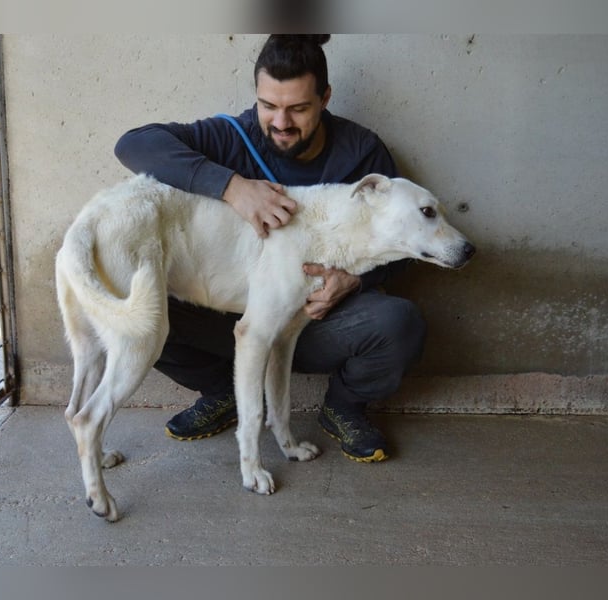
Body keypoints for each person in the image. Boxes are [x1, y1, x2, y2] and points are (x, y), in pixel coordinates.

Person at [114, 34, 426, 463]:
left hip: (319, 323)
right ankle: (223, 390)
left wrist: (354, 280)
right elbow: (132, 145)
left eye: (298, 108)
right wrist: (232, 187)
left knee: (399, 322)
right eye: (268, 105)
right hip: (228, 321)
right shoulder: (232, 137)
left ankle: (343, 407)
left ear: (325, 99)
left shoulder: (361, 153)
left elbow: (404, 247)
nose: (280, 122)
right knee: (135, 300)